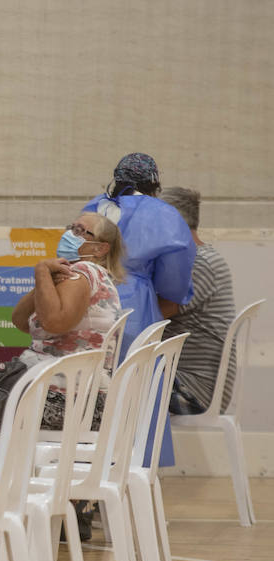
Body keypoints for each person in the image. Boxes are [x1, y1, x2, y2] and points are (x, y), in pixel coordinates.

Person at [0, 212, 124, 502]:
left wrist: (40, 271)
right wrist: (45, 279)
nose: (70, 232)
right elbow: (20, 320)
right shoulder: (74, 275)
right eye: (70, 226)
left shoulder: (84, 272)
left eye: (81, 230)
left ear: (101, 248)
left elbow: (54, 323)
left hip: (69, 402)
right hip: (73, 397)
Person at [82, 153, 195, 466]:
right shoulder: (165, 215)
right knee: (137, 395)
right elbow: (174, 283)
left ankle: (81, 479)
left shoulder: (94, 206)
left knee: (90, 395)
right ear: (154, 183)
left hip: (90, 300)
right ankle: (131, 476)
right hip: (137, 308)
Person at [158, 188, 236, 415]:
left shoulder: (198, 263)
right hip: (187, 380)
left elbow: (152, 315)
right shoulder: (199, 258)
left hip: (193, 390)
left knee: (106, 385)